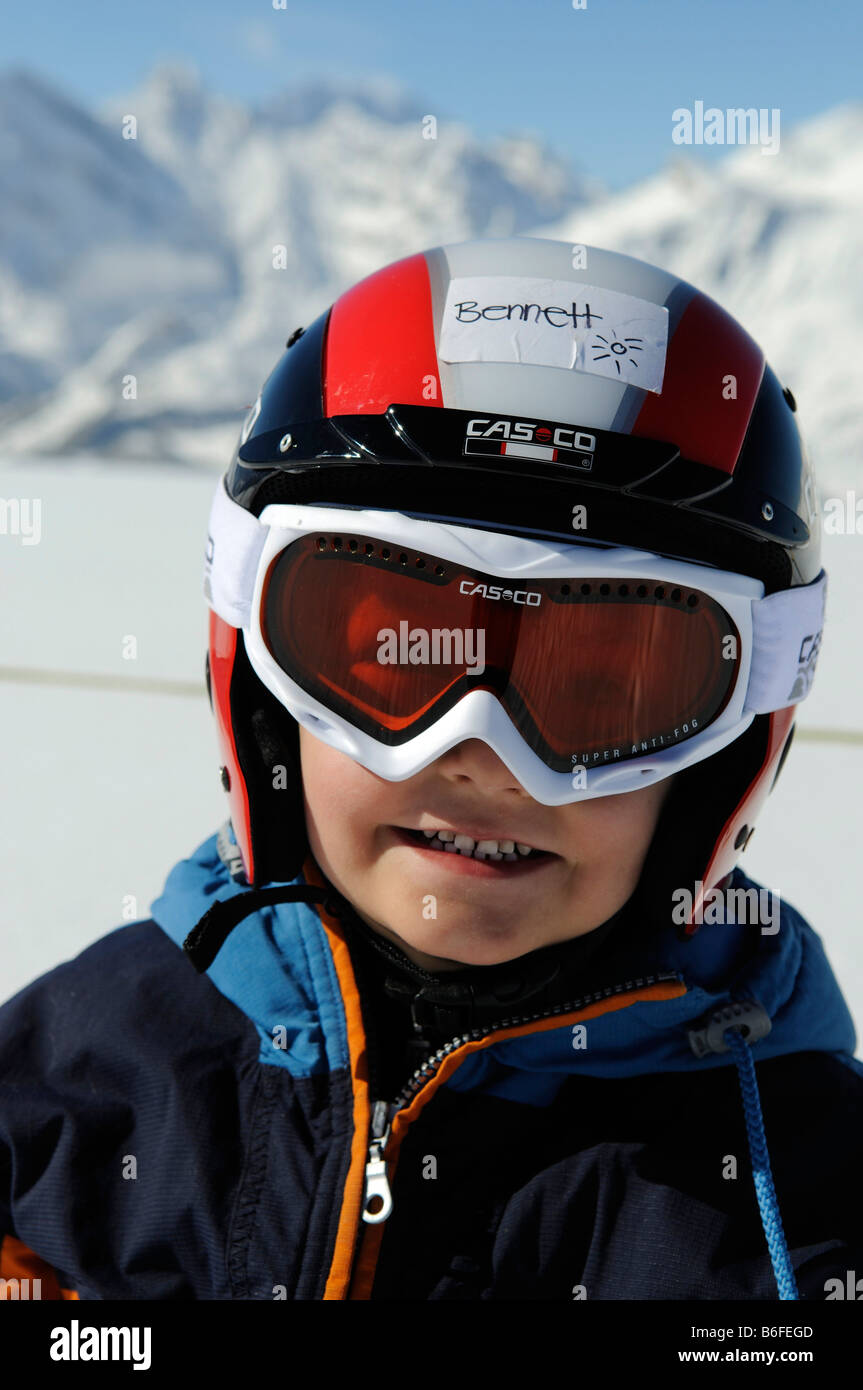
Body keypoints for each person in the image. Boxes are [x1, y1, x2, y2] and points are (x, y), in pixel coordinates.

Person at [1, 236, 860, 1303]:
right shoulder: (76, 1083)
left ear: (724, 758)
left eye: (607, 688)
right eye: (391, 651)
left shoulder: (796, 1202)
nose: (481, 757)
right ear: (266, 694)